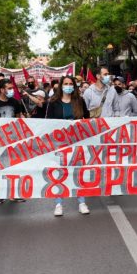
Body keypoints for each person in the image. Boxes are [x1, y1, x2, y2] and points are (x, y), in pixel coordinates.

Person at [45, 75, 90, 217]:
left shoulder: (80, 101)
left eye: (71, 83)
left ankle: (81, 202)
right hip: (60, 145)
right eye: (66, 83)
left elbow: (87, 119)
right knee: (59, 173)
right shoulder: (53, 102)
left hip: (78, 142)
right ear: (61, 85)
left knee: (78, 172)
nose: (69, 86)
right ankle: (58, 204)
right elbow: (48, 123)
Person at [0, 79, 26, 205]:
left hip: (13, 140)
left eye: (11, 88)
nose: (11, 90)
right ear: (2, 89)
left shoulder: (16, 102)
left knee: (14, 167)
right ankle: (0, 194)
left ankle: (13, 194)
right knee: (0, 168)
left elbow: (19, 119)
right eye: (8, 88)